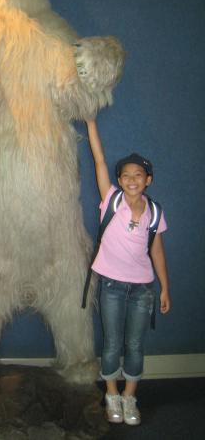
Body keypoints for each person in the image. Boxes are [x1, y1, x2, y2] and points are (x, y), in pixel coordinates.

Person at [86, 118, 171, 426]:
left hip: (142, 289)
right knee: (111, 342)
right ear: (119, 180)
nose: (132, 179)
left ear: (147, 179)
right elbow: (99, 158)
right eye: (126, 175)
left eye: (138, 175)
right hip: (110, 285)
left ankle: (130, 396)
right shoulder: (111, 200)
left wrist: (164, 287)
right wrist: (91, 122)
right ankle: (111, 395)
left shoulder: (155, 211)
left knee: (134, 344)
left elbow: (157, 251)